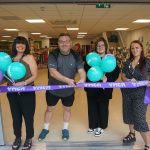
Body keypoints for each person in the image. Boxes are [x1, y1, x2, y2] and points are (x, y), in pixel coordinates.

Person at [38, 33, 86, 141]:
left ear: (70, 43)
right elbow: (53, 72)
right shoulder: (53, 55)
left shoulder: (76, 55)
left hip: (68, 91)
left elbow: (81, 70)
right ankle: (45, 128)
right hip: (53, 90)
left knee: (67, 109)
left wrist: (82, 79)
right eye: (61, 41)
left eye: (66, 41)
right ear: (58, 44)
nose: (64, 43)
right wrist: (68, 80)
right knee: (49, 109)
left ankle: (65, 129)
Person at [6, 36, 38, 150]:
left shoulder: (29, 57)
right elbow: (6, 75)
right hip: (12, 93)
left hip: (27, 92)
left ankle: (29, 138)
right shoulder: (9, 59)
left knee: (28, 117)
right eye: (18, 43)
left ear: (26, 46)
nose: (21, 45)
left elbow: (34, 75)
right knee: (15, 116)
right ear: (14, 45)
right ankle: (18, 137)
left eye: (23, 43)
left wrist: (23, 83)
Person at [84, 37, 120, 136]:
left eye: (102, 45)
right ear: (96, 47)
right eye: (98, 45)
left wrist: (107, 79)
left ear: (105, 46)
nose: (100, 47)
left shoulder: (110, 59)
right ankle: (93, 125)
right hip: (92, 87)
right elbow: (86, 71)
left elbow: (116, 72)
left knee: (103, 107)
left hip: (105, 88)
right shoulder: (91, 59)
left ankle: (101, 126)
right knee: (92, 106)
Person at [121, 40, 150, 150]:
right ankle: (132, 134)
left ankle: (148, 145)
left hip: (141, 95)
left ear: (141, 48)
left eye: (137, 48)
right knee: (128, 115)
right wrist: (127, 79)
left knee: (140, 119)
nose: (135, 50)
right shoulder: (128, 62)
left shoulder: (146, 62)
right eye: (132, 48)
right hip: (127, 93)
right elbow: (122, 75)